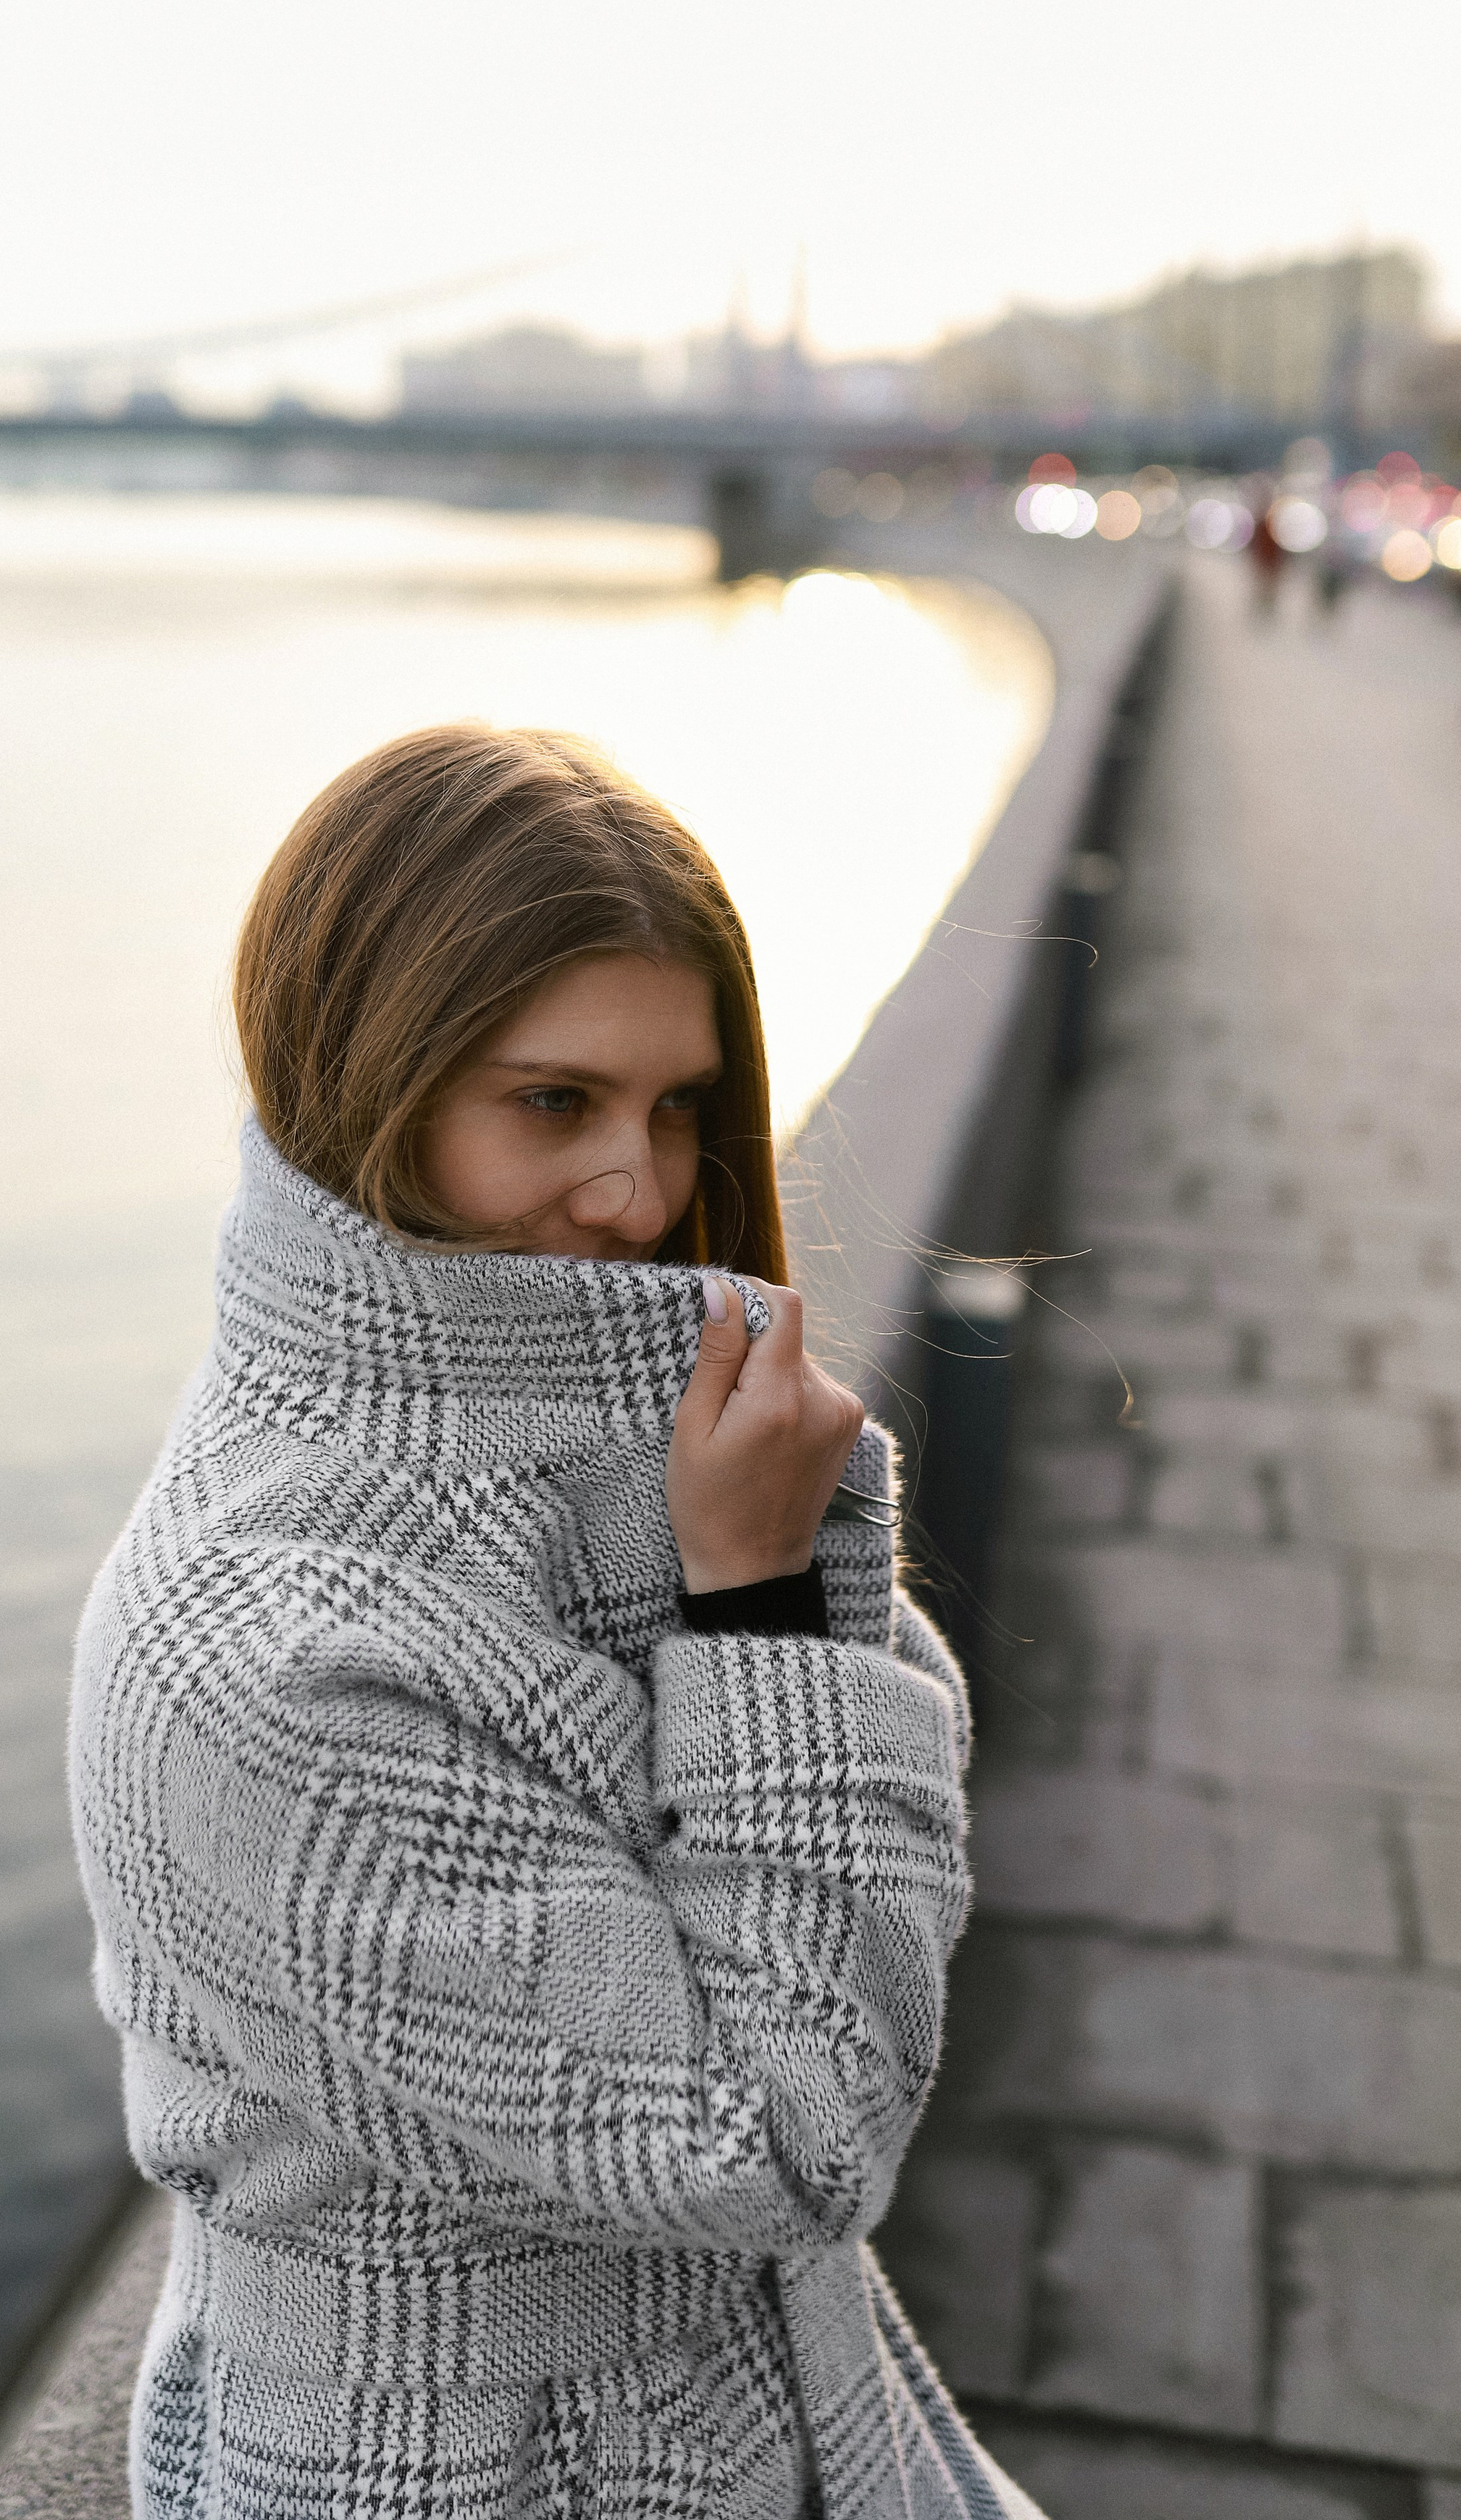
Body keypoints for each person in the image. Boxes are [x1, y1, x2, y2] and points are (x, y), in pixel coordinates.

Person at [70, 725, 1047, 2520]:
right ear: (365, 1073)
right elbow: (781, 2133)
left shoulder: (545, 1428)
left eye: (677, 1107)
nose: (639, 1190)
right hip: (470, 2470)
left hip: (714, 2401)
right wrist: (752, 1616)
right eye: (552, 1103)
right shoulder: (269, 1650)